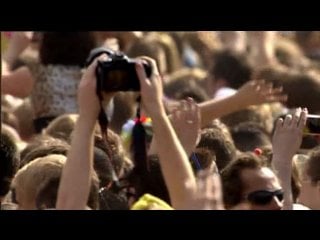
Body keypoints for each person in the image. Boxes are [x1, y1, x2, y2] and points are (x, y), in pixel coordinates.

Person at [1, 32, 97, 133]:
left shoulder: (38, 74)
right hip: (94, 145)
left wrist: (12, 52)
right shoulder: (98, 75)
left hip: (53, 146)